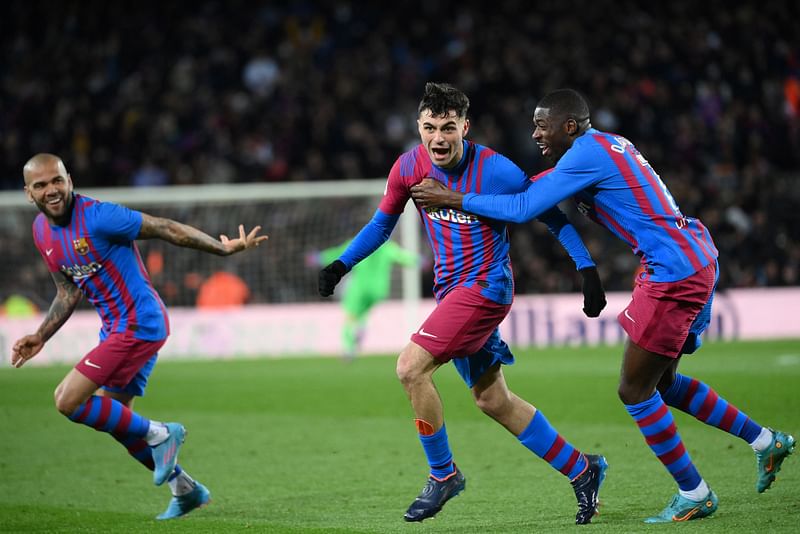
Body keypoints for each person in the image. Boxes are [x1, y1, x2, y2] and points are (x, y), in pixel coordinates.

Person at [410, 88, 796, 523]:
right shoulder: (609, 143)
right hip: (697, 256)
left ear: (569, 127)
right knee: (663, 383)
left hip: (672, 273)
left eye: (542, 125)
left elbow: (522, 208)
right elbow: (536, 188)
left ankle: (695, 492)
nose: (535, 134)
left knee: (634, 390)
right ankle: (766, 441)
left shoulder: (583, 155)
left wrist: (454, 199)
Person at [318, 83, 609, 525]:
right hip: (451, 291)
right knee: (493, 400)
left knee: (410, 368)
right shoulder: (408, 167)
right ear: (419, 127)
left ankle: (443, 474)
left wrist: (586, 268)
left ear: (464, 128)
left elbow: (550, 214)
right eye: (430, 127)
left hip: (487, 288)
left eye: (448, 127)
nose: (438, 137)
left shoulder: (496, 170)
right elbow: (381, 227)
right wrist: (341, 265)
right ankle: (582, 470)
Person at [11, 153, 268, 520]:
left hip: (138, 322)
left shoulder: (100, 216)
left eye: (57, 180)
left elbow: (165, 227)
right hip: (115, 328)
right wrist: (41, 336)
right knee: (117, 421)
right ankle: (186, 489)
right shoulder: (42, 232)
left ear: (70, 179)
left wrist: (221, 247)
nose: (51, 189)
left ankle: (164, 432)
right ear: (28, 193)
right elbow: (68, 291)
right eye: (41, 185)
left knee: (67, 401)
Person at [310, 238, 418, 359]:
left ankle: (348, 348)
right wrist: (419, 261)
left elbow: (339, 254)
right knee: (362, 314)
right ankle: (361, 328)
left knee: (350, 316)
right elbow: (403, 257)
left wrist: (320, 258)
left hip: (360, 287)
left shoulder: (360, 242)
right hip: (378, 289)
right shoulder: (387, 247)